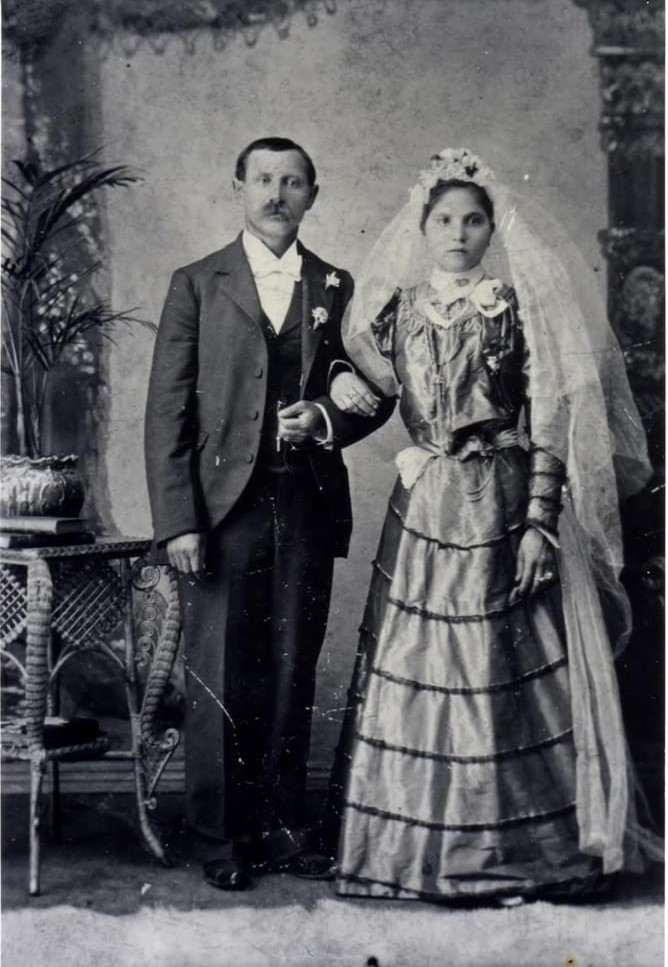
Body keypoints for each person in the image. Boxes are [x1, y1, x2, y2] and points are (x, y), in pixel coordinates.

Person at [328, 147, 661, 903]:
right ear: (422, 227)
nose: (458, 233)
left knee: (502, 666)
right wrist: (337, 390)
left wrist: (540, 522)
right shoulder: (395, 310)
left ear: (491, 228)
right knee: (421, 666)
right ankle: (413, 854)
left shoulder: (516, 307)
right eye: (444, 219)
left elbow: (552, 417)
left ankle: (525, 850)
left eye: (473, 220)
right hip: (426, 504)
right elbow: (362, 385)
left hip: (504, 500)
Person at [144, 137, 393, 891]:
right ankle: (220, 835)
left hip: (305, 503)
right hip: (221, 512)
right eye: (263, 180)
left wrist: (325, 417)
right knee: (220, 673)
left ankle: (285, 827)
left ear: (313, 194)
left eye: (292, 181)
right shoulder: (198, 283)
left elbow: (376, 389)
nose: (276, 194)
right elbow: (166, 412)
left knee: (291, 666)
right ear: (239, 187)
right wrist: (179, 522)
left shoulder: (338, 285)